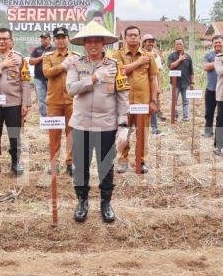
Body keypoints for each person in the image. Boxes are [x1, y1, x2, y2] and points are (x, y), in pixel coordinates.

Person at [65, 21, 129, 223]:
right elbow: (71, 89)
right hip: (82, 124)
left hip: (106, 125)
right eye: (88, 41)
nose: (92, 45)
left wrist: (123, 125)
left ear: (104, 44)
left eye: (96, 41)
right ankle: (82, 202)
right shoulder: (76, 64)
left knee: (106, 166)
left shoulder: (115, 66)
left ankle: (106, 203)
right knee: (80, 166)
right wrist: (93, 78)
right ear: (83, 44)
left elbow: (122, 96)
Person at [0, 27, 32, 176]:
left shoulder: (20, 58)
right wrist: (2, 65)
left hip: (13, 104)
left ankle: (15, 162)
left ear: (11, 41)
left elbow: (25, 82)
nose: (1, 41)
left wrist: (25, 104)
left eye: (5, 39)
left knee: (14, 135)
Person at [112, 25, 158, 174]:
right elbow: (121, 71)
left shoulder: (148, 56)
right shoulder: (117, 55)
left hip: (142, 103)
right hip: (123, 103)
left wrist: (153, 100)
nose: (133, 37)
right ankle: (123, 161)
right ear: (125, 38)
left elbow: (153, 79)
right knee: (124, 133)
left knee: (142, 133)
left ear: (139, 37)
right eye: (130, 35)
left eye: (135, 35)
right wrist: (138, 63)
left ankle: (141, 161)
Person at [42, 26, 78, 175]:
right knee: (54, 134)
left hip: (72, 101)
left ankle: (71, 163)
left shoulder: (76, 56)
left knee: (72, 134)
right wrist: (63, 66)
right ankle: (54, 164)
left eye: (64, 37)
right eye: (58, 38)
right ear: (54, 40)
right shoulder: (48, 56)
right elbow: (47, 73)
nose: (61, 40)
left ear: (68, 39)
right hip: (54, 101)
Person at [166, 38, 194, 121]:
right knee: (174, 101)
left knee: (186, 101)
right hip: (175, 84)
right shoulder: (171, 56)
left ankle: (185, 117)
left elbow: (191, 71)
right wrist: (180, 59)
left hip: (186, 83)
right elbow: (171, 66)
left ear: (183, 45)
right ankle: (174, 116)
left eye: (180, 44)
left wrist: (192, 82)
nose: (179, 45)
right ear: (174, 45)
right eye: (177, 44)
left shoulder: (188, 57)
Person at [141, 34, 163, 135]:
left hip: (152, 84)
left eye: (152, 41)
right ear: (144, 43)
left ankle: (154, 127)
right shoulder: (139, 54)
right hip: (141, 84)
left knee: (153, 104)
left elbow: (158, 72)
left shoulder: (156, 55)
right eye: (148, 41)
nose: (150, 43)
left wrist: (159, 86)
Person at [202, 35, 223, 136]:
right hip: (211, 89)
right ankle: (208, 131)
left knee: (221, 114)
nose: (217, 44)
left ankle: (220, 134)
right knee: (209, 112)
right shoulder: (209, 55)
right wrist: (218, 61)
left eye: (219, 42)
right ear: (212, 44)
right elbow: (206, 67)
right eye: (215, 42)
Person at [29, 33, 53, 117]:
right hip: (39, 78)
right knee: (42, 99)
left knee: (53, 99)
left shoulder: (55, 49)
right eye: (42, 38)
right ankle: (45, 118)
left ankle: (53, 117)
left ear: (50, 39)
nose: (43, 40)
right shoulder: (37, 49)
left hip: (52, 78)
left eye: (45, 38)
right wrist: (41, 58)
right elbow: (30, 62)